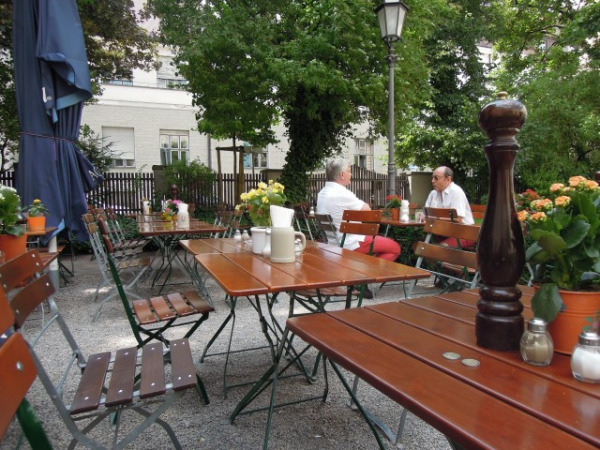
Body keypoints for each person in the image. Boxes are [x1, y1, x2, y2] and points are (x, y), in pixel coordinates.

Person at [317, 159, 401, 262]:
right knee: (395, 248)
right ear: (342, 175)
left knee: (380, 246)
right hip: (351, 243)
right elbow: (367, 211)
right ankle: (372, 273)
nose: (351, 174)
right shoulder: (342, 193)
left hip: (332, 243)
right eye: (349, 171)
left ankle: (363, 269)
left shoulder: (321, 194)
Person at [425, 166, 475, 247]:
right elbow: (425, 215)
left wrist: (436, 218)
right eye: (432, 178)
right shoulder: (433, 194)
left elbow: (458, 219)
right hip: (442, 232)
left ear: (448, 179)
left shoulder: (456, 192)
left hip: (463, 234)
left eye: (436, 178)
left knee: (437, 249)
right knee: (423, 247)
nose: (432, 181)